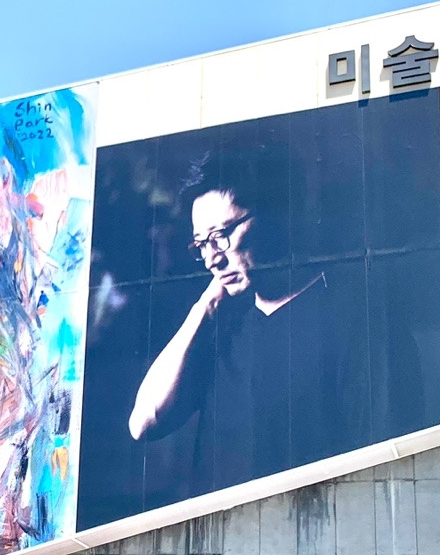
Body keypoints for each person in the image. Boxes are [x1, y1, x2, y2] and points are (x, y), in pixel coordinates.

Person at [127, 158, 393, 497]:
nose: (211, 259)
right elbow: (144, 423)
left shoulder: (354, 321)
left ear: (275, 216)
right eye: (201, 244)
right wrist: (205, 306)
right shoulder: (224, 326)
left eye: (221, 235)